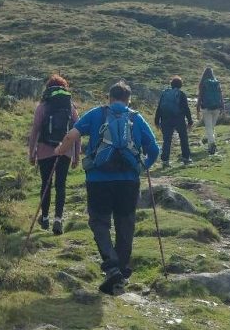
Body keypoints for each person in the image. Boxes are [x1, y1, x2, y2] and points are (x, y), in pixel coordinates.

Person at [52, 81, 160, 294]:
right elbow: (154, 149)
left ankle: (112, 267)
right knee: (125, 223)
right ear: (129, 100)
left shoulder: (96, 114)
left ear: (109, 98)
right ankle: (120, 271)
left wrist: (59, 150)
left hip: (99, 180)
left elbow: (71, 135)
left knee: (99, 221)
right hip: (128, 181)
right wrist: (142, 167)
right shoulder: (136, 118)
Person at [28, 74, 78, 235]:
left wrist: (32, 153)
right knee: (61, 184)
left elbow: (35, 130)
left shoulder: (43, 106)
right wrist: (76, 155)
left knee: (46, 183)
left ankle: (44, 217)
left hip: (45, 150)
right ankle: (58, 219)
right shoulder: (70, 106)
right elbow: (77, 131)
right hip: (65, 150)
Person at [153, 75, 193, 166]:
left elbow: (159, 108)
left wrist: (156, 121)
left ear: (171, 84)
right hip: (179, 119)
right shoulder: (181, 94)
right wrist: (190, 121)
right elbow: (186, 108)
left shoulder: (165, 93)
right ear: (180, 85)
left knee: (167, 140)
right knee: (183, 138)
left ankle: (165, 160)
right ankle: (186, 157)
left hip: (166, 119)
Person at [197, 66, 224, 153]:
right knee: (212, 127)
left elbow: (200, 96)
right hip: (217, 107)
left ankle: (212, 144)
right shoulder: (216, 83)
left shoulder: (203, 83)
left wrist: (197, 107)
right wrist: (223, 106)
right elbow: (221, 95)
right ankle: (211, 146)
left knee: (209, 127)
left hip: (206, 108)